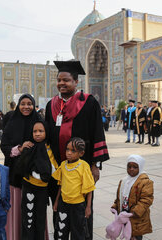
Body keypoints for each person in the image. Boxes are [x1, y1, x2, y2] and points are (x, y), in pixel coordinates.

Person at [45, 60, 109, 240]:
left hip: (82, 168)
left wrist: (95, 165)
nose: (61, 83)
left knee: (82, 210)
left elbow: (97, 133)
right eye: (59, 80)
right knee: (59, 207)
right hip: (59, 167)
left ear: (75, 82)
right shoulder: (52, 105)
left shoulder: (88, 103)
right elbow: (48, 135)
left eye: (66, 80)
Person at [0, 94, 41, 240]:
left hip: (35, 176)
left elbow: (45, 143)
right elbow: (4, 146)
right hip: (15, 175)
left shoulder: (38, 121)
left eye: (29, 103)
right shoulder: (12, 122)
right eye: (23, 103)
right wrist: (20, 148)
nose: (26, 107)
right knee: (17, 208)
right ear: (18, 105)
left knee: (34, 212)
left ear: (33, 105)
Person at [15, 120, 57, 240]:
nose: (37, 134)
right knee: (27, 218)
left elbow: (54, 168)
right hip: (28, 188)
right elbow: (22, 165)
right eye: (35, 131)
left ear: (46, 132)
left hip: (42, 191)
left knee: (40, 219)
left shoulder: (48, 149)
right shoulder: (30, 147)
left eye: (41, 131)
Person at [52, 137, 96, 240]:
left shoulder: (84, 166)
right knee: (61, 232)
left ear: (81, 153)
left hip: (78, 207)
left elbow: (89, 188)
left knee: (78, 233)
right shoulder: (63, 165)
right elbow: (61, 185)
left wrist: (88, 207)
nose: (69, 153)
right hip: (63, 204)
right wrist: (56, 201)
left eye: (73, 150)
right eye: (67, 149)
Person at [111, 155, 153, 240]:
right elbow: (119, 197)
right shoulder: (123, 181)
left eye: (135, 167)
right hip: (125, 214)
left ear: (140, 167)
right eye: (129, 166)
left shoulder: (146, 182)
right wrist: (115, 206)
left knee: (135, 236)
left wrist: (134, 212)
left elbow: (146, 200)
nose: (131, 169)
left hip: (136, 217)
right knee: (127, 234)